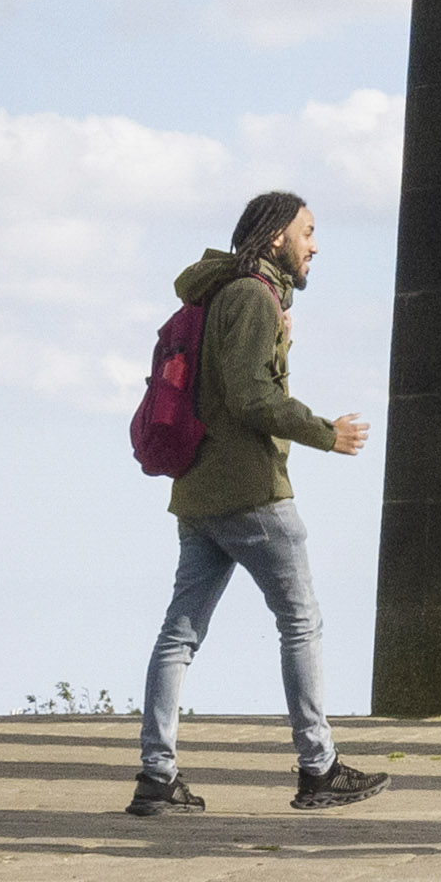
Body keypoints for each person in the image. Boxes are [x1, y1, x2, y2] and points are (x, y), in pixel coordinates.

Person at [136, 189, 380, 819]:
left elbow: (232, 382)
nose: (315, 245)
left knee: (180, 633)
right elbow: (249, 397)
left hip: (199, 490)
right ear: (276, 238)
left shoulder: (225, 293)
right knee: (301, 622)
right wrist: (328, 433)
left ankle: (157, 779)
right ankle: (318, 768)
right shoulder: (250, 297)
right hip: (250, 492)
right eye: (308, 232)